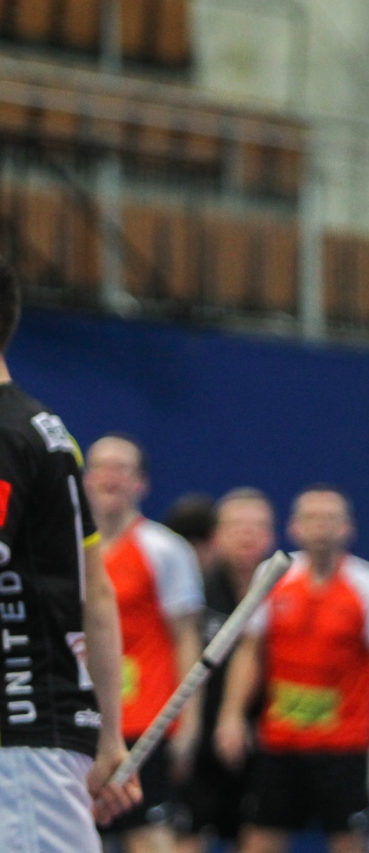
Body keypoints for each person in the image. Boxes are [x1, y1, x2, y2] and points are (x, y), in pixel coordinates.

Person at [0, 261, 141, 850]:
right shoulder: (47, 430)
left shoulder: (6, 435)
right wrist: (108, 737)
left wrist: (106, 737)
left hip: (20, 744)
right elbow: (98, 592)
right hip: (43, 737)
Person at [215, 485, 369, 853]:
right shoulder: (272, 575)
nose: (320, 527)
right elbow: (249, 652)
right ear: (293, 527)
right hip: (280, 744)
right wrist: (231, 715)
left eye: (330, 519)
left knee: (350, 843)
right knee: (258, 841)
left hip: (345, 749)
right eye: (311, 518)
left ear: (348, 528)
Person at [85, 433, 205, 853]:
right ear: (85, 479)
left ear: (142, 483)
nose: (110, 477)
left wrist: (189, 723)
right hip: (78, 720)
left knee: (148, 837)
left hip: (145, 727)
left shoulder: (165, 550)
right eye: (100, 466)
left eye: (122, 468)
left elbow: (187, 640)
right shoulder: (62, 548)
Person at [174, 487, 276, 853]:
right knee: (185, 835)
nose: (247, 534)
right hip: (199, 739)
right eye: (236, 526)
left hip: (261, 743)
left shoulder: (284, 591)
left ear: (272, 536)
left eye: (257, 526)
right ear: (216, 536)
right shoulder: (192, 592)